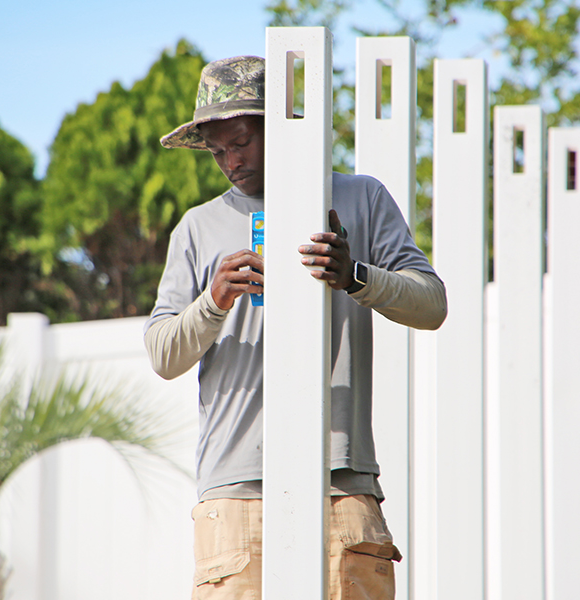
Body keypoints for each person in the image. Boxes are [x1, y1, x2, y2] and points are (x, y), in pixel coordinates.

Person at [144, 55, 447, 600]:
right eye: (217, 152)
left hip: (341, 480)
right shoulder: (197, 227)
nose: (231, 161)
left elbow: (432, 306)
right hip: (236, 490)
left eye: (241, 141)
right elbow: (163, 355)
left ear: (279, 126)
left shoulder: (359, 198)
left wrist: (355, 276)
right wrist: (213, 301)